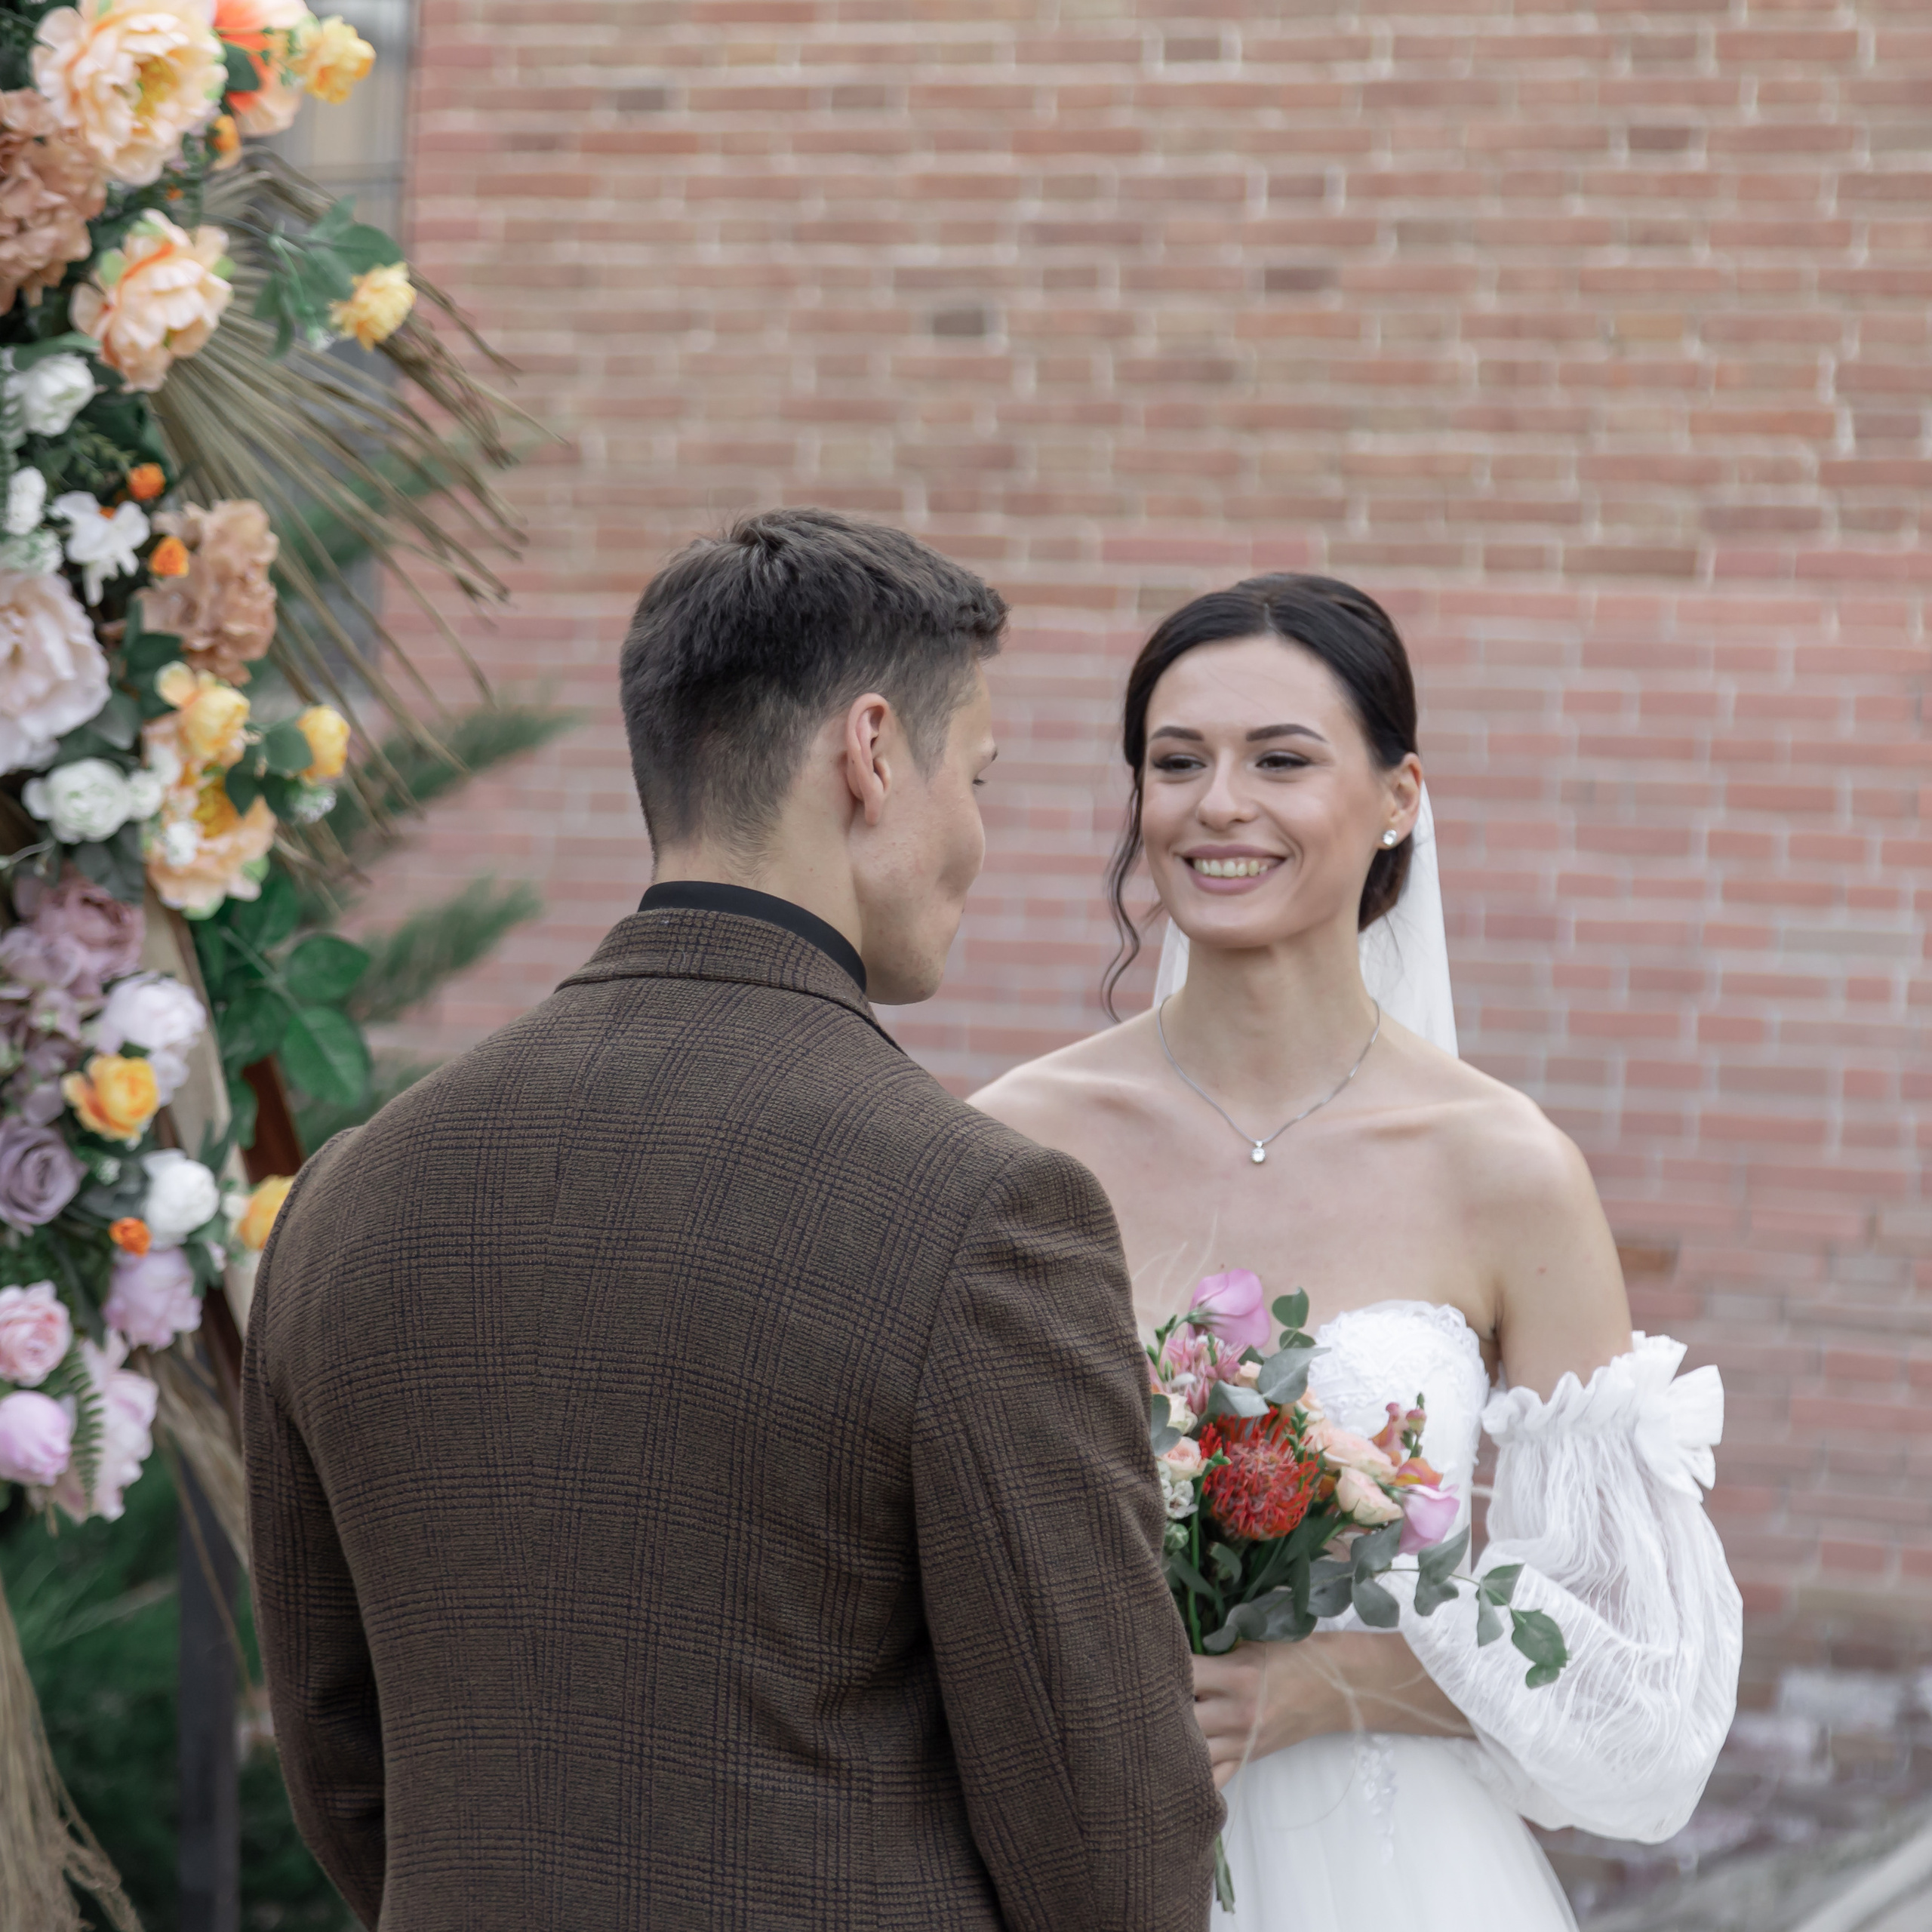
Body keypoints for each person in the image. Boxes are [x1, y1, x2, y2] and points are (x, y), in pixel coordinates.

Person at [242, 509, 1223, 1931]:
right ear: (873, 754)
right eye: (981, 775)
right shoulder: (983, 1213)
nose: (980, 838)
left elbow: (340, 1765)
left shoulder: (350, 1193)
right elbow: (1111, 1842)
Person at [973, 574, 1742, 1931]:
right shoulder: (1016, 1146)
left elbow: (1643, 1706)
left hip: (1393, 1870)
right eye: (1176, 762)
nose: (1219, 804)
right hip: (1073, 1847)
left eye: (1282, 760)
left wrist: (1324, 1687)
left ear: (1399, 798)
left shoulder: (1505, 1170)